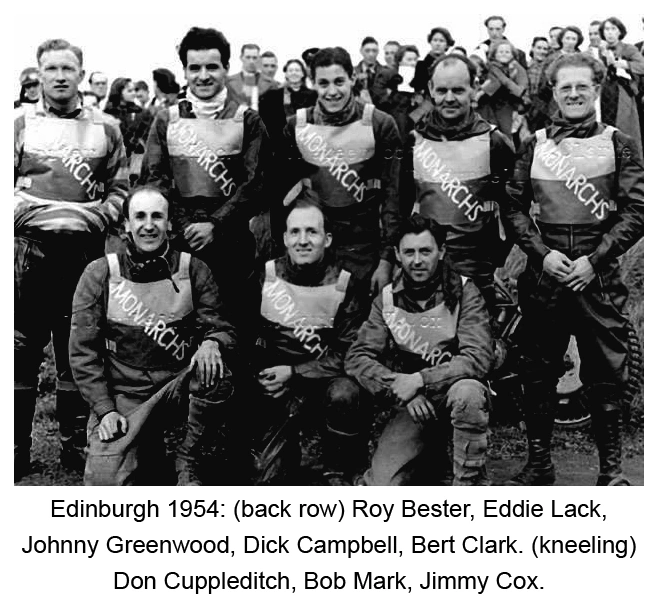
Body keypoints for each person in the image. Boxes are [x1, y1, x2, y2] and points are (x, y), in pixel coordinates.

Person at [505, 52, 643, 486]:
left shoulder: (618, 142)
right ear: (554, 92)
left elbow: (636, 211)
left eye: (582, 86)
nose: (574, 94)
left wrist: (595, 259)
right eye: (566, 87)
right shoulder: (536, 143)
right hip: (546, 272)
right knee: (538, 369)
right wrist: (540, 253)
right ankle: (540, 467)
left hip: (597, 273)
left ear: (596, 89)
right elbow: (512, 208)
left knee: (605, 371)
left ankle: (612, 473)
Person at [14, 38, 129, 481]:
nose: (60, 76)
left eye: (68, 68)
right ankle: (18, 448)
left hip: (83, 252)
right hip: (30, 250)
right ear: (38, 74)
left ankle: (73, 447)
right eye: (51, 69)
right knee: (22, 348)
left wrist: (98, 214)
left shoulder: (107, 127)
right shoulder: (17, 123)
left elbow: (119, 185)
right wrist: (34, 212)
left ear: (81, 74)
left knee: (76, 346)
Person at [70, 187, 239, 485]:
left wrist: (212, 341)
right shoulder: (100, 273)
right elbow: (83, 353)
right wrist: (105, 410)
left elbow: (222, 327)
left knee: (216, 373)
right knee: (104, 484)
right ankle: (145, 450)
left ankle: (186, 457)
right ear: (126, 225)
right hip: (125, 395)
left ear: (170, 224)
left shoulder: (193, 269)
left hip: (175, 389)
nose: (149, 225)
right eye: (140, 217)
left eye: (157, 216)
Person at [345, 214, 493, 486]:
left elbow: (478, 358)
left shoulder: (465, 291)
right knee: (382, 485)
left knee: (468, 393)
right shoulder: (387, 299)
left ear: (441, 251)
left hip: (454, 392)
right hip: (414, 403)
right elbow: (357, 358)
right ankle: (431, 458)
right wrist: (403, 388)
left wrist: (421, 379)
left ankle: (469, 485)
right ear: (397, 256)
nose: (417, 260)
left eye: (425, 251)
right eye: (409, 252)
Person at [140, 27, 270, 331]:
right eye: (194, 68)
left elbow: (256, 184)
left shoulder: (247, 119)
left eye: (212, 66)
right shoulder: (166, 119)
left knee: (232, 328)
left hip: (231, 241)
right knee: (178, 326)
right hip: (178, 240)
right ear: (184, 71)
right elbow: (155, 180)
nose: (203, 75)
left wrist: (215, 224)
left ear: (226, 68)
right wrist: (186, 226)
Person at [252, 191, 369, 485]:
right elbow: (244, 337)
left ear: (326, 239)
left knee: (346, 393)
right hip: (275, 386)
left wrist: (295, 373)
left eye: (311, 232)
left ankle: (338, 467)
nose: (303, 240)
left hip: (322, 383)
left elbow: (349, 355)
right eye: (295, 232)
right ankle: (281, 454)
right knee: (267, 479)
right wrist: (263, 377)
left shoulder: (344, 283)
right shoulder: (265, 277)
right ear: (285, 238)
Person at [278, 46, 402, 294]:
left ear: (352, 79)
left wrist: (387, 259)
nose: (332, 91)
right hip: (315, 244)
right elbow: (281, 200)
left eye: (339, 82)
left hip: (363, 244)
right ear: (313, 83)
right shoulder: (295, 126)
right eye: (323, 83)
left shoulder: (380, 124)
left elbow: (394, 195)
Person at [402, 54, 519, 312]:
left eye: (458, 90)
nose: (450, 98)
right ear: (430, 90)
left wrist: (497, 256)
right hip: (426, 262)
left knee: (475, 340)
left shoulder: (494, 141)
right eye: (442, 90)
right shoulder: (413, 141)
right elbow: (400, 205)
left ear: (474, 89)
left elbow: (515, 206)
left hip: (476, 263)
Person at [598, 17, 644, 149]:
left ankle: (627, 160)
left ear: (620, 32)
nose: (610, 33)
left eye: (613, 29)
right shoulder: (599, 50)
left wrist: (626, 64)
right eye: (607, 29)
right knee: (604, 126)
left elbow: (644, 66)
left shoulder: (628, 49)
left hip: (623, 93)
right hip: (603, 93)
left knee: (625, 128)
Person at [258, 59, 317, 148]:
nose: (294, 73)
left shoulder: (313, 95)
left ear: (303, 74)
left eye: (297, 70)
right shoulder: (272, 95)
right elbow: (264, 119)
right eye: (290, 70)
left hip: (306, 143)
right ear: (286, 74)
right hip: (280, 144)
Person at [477, 39, 528, 138]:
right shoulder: (488, 68)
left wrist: (502, 78)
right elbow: (489, 85)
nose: (504, 54)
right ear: (494, 54)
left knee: (506, 136)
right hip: (488, 108)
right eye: (500, 52)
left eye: (507, 52)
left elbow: (521, 89)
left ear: (512, 55)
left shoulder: (516, 68)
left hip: (508, 108)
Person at [226, 43, 276, 110]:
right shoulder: (229, 82)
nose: (251, 61)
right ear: (241, 58)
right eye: (248, 57)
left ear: (259, 59)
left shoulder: (271, 84)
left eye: (254, 58)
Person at [411, 26, 454, 100]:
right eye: (435, 40)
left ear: (447, 44)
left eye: (441, 41)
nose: (437, 44)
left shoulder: (451, 64)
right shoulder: (421, 65)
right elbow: (417, 87)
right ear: (430, 42)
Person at [525, 37, 551, 131]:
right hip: (526, 109)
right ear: (533, 48)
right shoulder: (525, 66)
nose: (542, 51)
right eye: (539, 48)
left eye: (545, 49)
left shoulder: (549, 69)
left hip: (544, 110)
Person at [354, 36, 387, 105]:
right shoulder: (352, 72)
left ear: (378, 52)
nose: (371, 54)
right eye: (367, 51)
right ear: (361, 51)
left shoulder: (387, 73)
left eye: (374, 51)